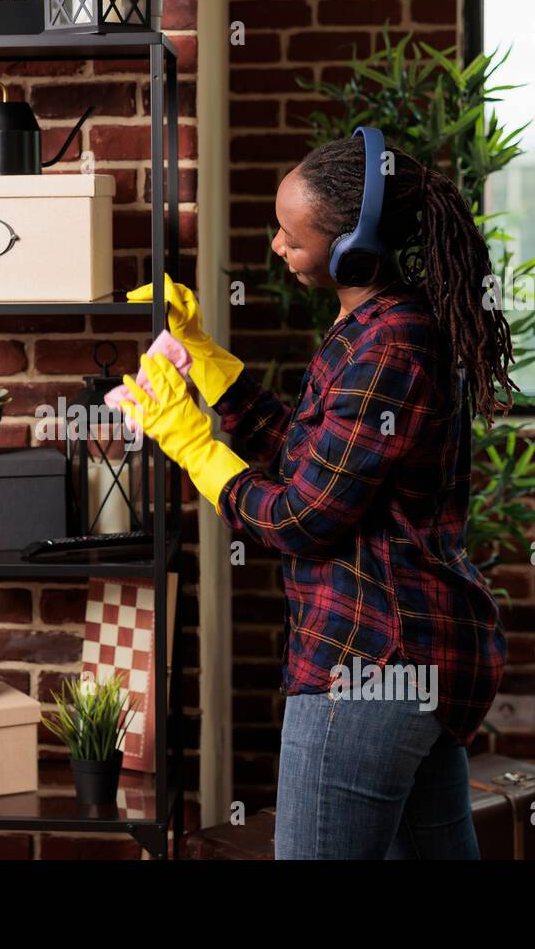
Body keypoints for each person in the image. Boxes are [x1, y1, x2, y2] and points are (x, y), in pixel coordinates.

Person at [122, 128, 514, 859]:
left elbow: (301, 516)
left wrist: (192, 446)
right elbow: (313, 461)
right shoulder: (374, 327)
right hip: (408, 662)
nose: (276, 247)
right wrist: (207, 362)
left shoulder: (390, 346)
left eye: (291, 237)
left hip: (369, 657)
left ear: (353, 251)